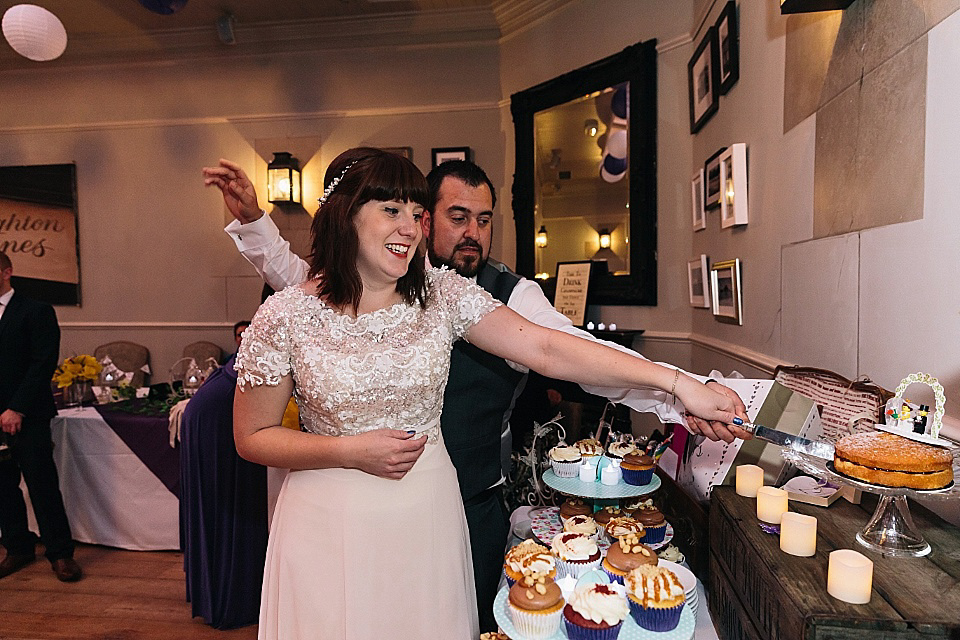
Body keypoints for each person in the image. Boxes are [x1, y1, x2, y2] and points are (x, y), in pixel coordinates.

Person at [204, 148, 746, 638]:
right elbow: (251, 436)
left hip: (427, 513)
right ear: (346, 215)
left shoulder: (442, 295)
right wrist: (347, 451)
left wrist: (678, 384)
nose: (409, 229)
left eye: (415, 214)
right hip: (326, 519)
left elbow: (550, 348)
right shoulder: (287, 315)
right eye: (391, 210)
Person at [0, 251, 82, 582]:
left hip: (29, 414)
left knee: (42, 485)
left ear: (7, 272)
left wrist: (16, 407)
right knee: (3, 488)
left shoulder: (36, 311)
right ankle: (17, 547)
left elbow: (42, 363)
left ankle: (60, 553)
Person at [180, 353, 267, 629]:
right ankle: (229, 600)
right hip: (221, 413)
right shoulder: (289, 314)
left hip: (230, 403)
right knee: (234, 508)